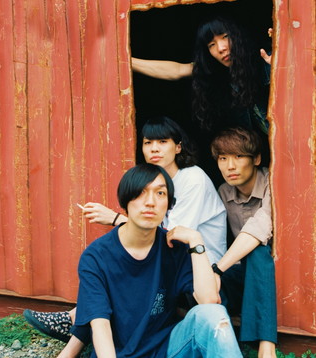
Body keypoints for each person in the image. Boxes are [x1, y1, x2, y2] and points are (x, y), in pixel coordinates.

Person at [24, 117, 227, 342]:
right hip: (175, 261)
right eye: (148, 143)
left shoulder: (193, 178)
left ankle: (74, 321)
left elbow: (170, 236)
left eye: (162, 142)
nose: (154, 149)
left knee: (132, 271)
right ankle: (77, 325)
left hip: (203, 265)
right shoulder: (157, 182)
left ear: (178, 147)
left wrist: (116, 219)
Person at [57, 164, 242, 358]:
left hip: (168, 349)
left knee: (213, 313)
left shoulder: (174, 249)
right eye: (141, 193)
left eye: (160, 193)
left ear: (169, 204)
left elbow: (209, 301)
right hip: (120, 354)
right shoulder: (96, 257)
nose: (151, 202)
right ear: (126, 200)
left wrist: (196, 240)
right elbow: (100, 325)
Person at [131, 16, 272, 136]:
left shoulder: (266, 59)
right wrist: (125, 61)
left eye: (225, 37)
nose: (221, 48)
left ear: (239, 35)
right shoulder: (217, 70)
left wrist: (280, 65)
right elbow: (177, 70)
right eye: (211, 44)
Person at [210, 127, 277, 358]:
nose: (230, 166)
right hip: (244, 272)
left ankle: (266, 344)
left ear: (256, 159)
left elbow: (259, 228)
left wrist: (217, 269)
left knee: (257, 251)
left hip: (274, 271)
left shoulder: (272, 182)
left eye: (238, 156)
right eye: (223, 158)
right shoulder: (223, 192)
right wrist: (212, 272)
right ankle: (223, 337)